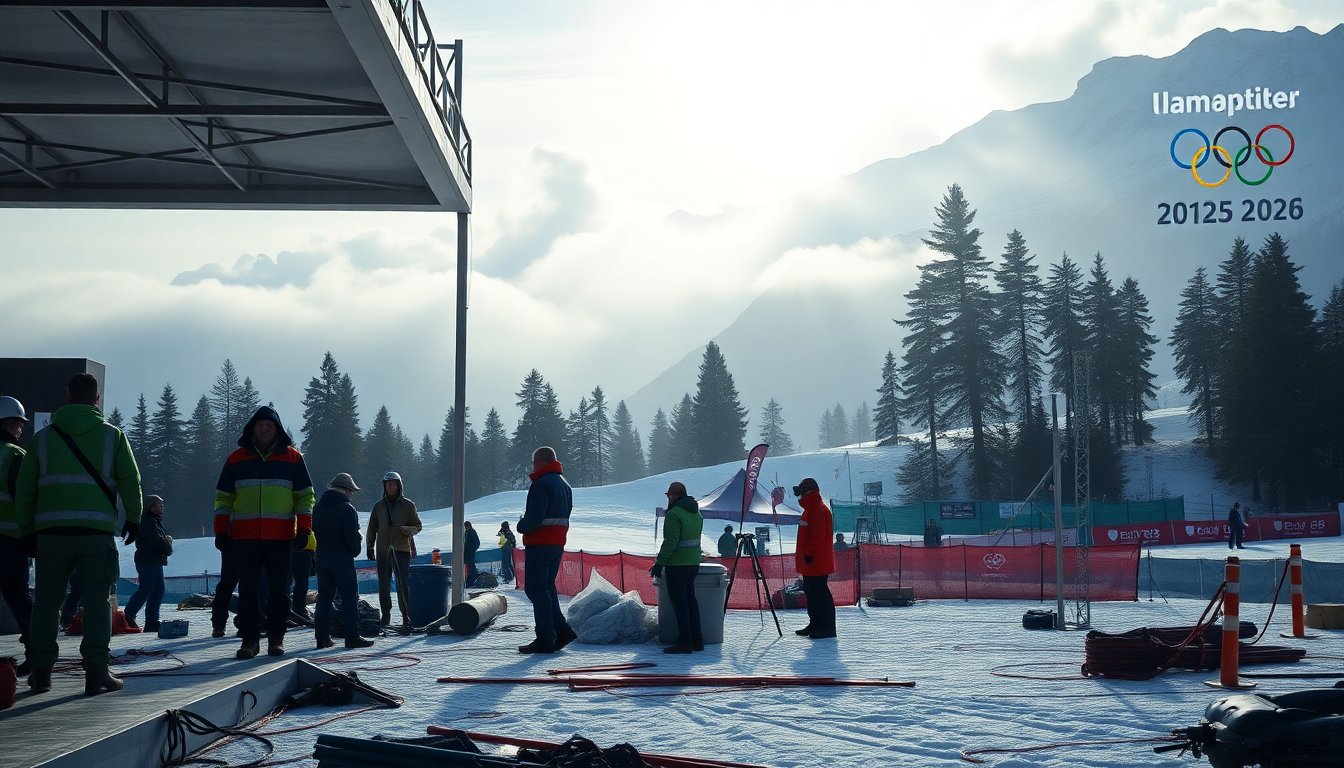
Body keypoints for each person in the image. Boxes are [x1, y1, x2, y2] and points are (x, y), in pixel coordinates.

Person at [17, 373, 143, 695]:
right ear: (97, 400)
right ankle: (97, 672)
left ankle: (41, 671)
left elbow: (26, 489)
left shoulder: (42, 440)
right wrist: (135, 518)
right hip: (95, 533)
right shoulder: (112, 436)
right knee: (98, 601)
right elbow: (130, 480)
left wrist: (27, 529)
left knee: (47, 602)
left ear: (68, 396)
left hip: (51, 534)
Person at [214, 406, 314, 660]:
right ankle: (249, 640)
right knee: (248, 590)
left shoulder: (293, 458)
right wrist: (221, 530)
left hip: (281, 538)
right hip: (244, 538)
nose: (264, 428)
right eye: (260, 424)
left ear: (277, 429)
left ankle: (276, 639)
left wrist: (304, 529)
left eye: (269, 425)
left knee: (280, 591)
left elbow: (304, 497)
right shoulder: (236, 459)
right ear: (252, 428)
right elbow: (223, 498)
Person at [516, 446, 576, 654]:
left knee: (536, 590)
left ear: (541, 461)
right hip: (557, 544)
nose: (532, 467)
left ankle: (545, 638)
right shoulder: (564, 484)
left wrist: (521, 525)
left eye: (534, 462)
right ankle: (562, 631)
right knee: (547, 589)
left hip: (539, 543)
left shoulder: (541, 484)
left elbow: (534, 518)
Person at [312, 473, 373, 650]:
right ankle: (352, 636)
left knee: (324, 598)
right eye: (351, 491)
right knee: (349, 597)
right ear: (345, 489)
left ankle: (322, 638)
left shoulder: (317, 508)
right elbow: (351, 539)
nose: (352, 494)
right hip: (342, 560)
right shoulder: (347, 509)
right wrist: (357, 545)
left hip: (322, 559)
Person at [0, 396, 33, 675]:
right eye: (19, 425)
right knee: (20, 597)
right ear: (10, 425)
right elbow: (24, 500)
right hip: (11, 540)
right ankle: (37, 653)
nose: (21, 430)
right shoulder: (15, 456)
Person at [651, 481, 704, 653]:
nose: (668, 498)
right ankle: (697, 641)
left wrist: (660, 563)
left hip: (677, 564)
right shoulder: (696, 513)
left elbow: (671, 542)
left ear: (677, 495)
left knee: (680, 604)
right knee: (691, 601)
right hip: (693, 563)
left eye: (670, 495)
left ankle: (685, 642)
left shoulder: (674, 514)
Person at [366, 470, 420, 628]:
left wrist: (406, 530)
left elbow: (418, 525)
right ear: (384, 486)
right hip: (383, 551)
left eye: (393, 484)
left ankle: (406, 616)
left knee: (402, 584)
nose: (390, 486)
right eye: (387, 484)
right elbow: (372, 528)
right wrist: (370, 546)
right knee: (383, 585)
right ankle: (386, 616)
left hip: (402, 550)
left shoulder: (409, 506)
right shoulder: (378, 507)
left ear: (399, 485)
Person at [793, 477, 836, 640]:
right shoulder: (811, 508)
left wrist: (809, 553)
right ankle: (816, 624)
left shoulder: (816, 508)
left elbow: (818, 535)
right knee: (812, 592)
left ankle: (827, 627)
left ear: (810, 491)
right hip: (811, 560)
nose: (800, 495)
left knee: (819, 593)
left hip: (815, 560)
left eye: (802, 491)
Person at [124, 495, 172, 631]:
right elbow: (156, 540)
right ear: (151, 506)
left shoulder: (154, 520)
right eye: (159, 505)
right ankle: (129, 615)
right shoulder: (148, 521)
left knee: (157, 589)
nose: (162, 508)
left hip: (153, 560)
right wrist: (167, 545)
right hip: (147, 560)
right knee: (147, 588)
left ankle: (151, 620)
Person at [291, 527, 316, 622]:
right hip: (302, 547)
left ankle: (294, 609)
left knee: (297, 581)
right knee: (301, 582)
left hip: (302, 546)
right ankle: (299, 610)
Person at [463, 520, 480, 586]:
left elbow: (477, 543)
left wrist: (472, 550)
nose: (465, 527)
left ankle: (473, 579)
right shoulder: (466, 532)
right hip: (466, 552)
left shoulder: (472, 532)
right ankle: (470, 580)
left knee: (471, 566)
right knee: (468, 566)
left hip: (470, 552)